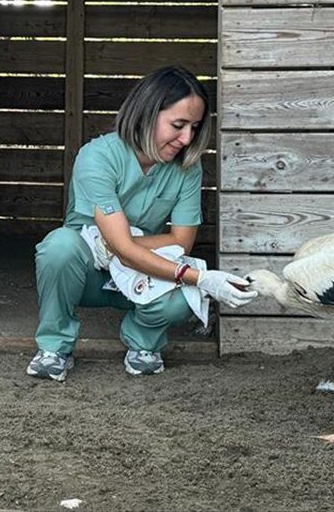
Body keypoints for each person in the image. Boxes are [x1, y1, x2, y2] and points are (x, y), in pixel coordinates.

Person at [25, 66, 257, 381]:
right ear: (146, 113)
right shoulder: (97, 156)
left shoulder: (187, 167)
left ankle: (142, 343)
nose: (187, 138)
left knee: (182, 300)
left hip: (141, 274)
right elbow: (143, 243)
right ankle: (55, 348)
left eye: (194, 127)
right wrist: (199, 276)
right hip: (87, 273)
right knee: (59, 247)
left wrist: (121, 246)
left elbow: (182, 242)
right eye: (178, 125)